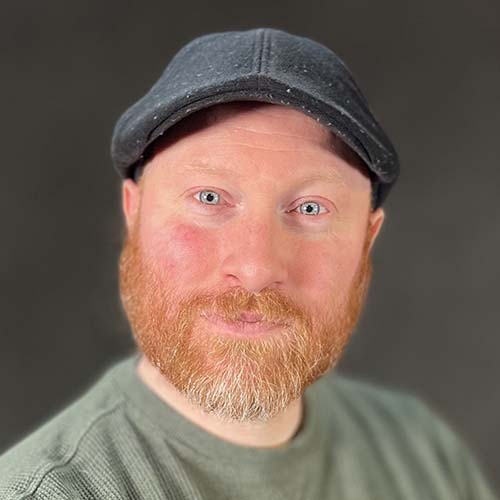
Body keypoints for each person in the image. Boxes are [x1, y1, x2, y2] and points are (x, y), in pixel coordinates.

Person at [0, 27, 497, 500]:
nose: (256, 267)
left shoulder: (424, 455)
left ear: (367, 239)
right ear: (134, 213)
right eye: (210, 197)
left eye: (310, 208)